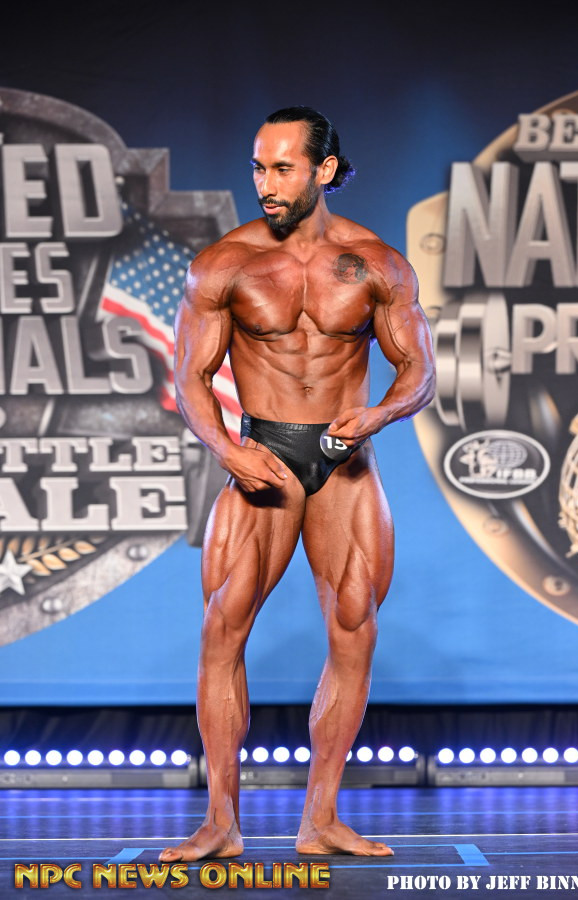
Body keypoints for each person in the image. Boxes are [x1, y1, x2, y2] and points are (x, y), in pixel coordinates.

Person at [159, 106, 435, 861]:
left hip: (346, 459)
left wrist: (378, 414)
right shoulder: (225, 264)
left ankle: (321, 821)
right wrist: (226, 449)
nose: (266, 183)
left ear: (325, 169)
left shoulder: (376, 263)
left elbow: (419, 371)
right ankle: (221, 822)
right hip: (265, 454)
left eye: (282, 168)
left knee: (354, 622)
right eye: (259, 167)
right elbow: (189, 376)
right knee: (224, 624)